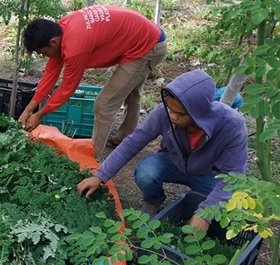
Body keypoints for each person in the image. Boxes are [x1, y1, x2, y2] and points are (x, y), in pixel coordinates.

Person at [76, 70, 248, 232]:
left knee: (229, 208)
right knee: (146, 172)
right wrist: (100, 175)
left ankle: (196, 206)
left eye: (179, 114)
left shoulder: (232, 126)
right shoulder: (164, 113)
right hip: (173, 163)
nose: (172, 117)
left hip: (209, 174)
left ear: (198, 113)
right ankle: (153, 203)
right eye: (170, 109)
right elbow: (133, 142)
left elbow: (233, 177)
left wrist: (205, 213)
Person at [19, 5, 167, 158]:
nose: (45, 56)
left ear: (53, 42)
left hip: (147, 47)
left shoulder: (75, 47)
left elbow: (66, 89)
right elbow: (50, 73)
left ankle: (90, 157)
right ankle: (126, 139)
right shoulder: (60, 29)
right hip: (144, 35)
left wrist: (40, 114)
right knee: (130, 92)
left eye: (44, 53)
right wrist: (29, 109)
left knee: (104, 105)